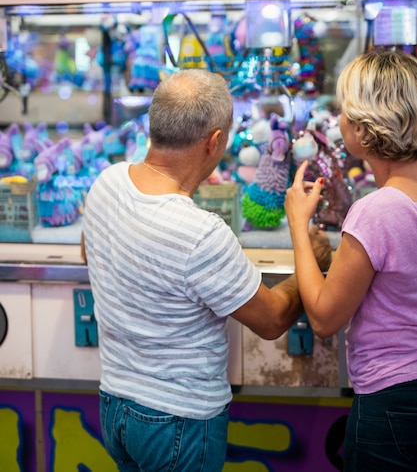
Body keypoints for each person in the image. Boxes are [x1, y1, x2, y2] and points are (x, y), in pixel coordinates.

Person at [81, 68, 305, 472]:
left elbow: (89, 252)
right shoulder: (199, 234)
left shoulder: (107, 182)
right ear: (215, 141)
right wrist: (315, 260)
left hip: (114, 407)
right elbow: (272, 320)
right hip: (177, 422)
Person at [284, 48, 417, 472]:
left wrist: (299, 228)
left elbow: (324, 318)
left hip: (394, 401)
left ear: (363, 126)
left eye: (343, 111)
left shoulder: (380, 210)